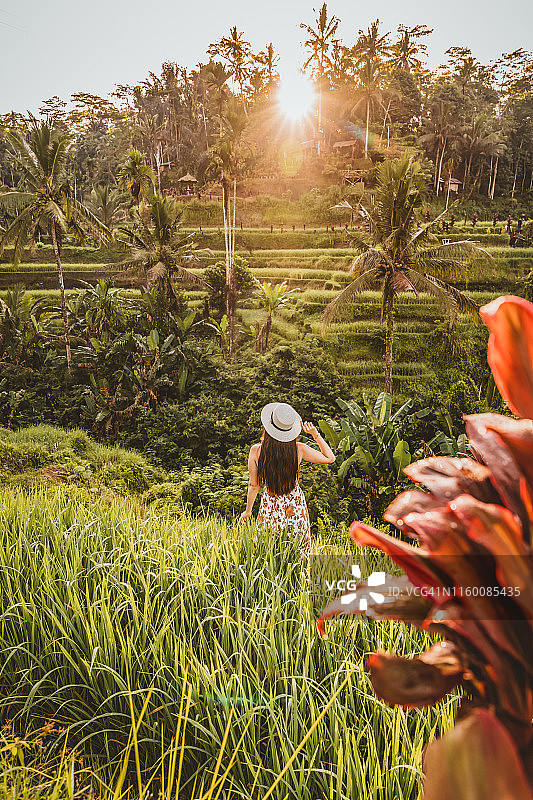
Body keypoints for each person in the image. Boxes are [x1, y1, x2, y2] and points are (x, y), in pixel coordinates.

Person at [239, 402, 335, 553]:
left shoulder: (256, 451)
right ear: (290, 429)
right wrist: (315, 434)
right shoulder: (299, 450)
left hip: (269, 506)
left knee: (268, 551)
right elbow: (330, 458)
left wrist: (248, 511)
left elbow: (253, 485)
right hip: (295, 506)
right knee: (297, 550)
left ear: (268, 426)